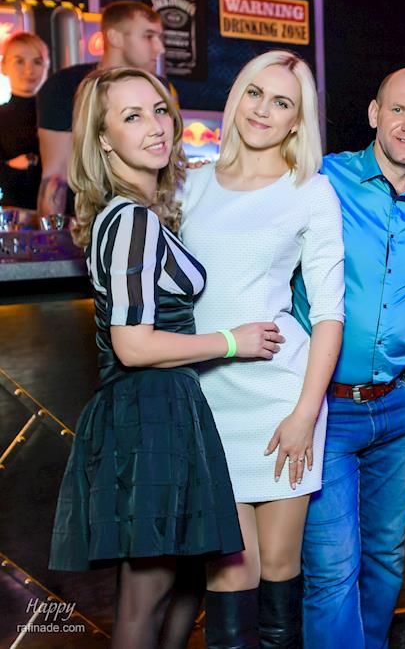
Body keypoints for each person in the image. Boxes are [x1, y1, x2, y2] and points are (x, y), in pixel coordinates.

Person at [48, 66, 279, 649]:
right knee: (145, 599)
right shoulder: (129, 219)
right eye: (131, 117)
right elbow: (133, 344)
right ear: (104, 140)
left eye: (158, 110)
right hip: (147, 411)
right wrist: (233, 341)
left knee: (182, 588)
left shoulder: (142, 213)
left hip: (165, 408)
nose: (154, 126)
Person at [291, 67, 405, 649]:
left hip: (400, 407)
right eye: (398, 110)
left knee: (386, 557)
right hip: (324, 409)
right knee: (332, 568)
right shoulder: (324, 178)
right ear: (374, 113)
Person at [180, 51, 345, 648]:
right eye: (255, 93)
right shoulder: (189, 185)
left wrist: (305, 412)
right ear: (237, 97)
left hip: (280, 397)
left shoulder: (311, 191)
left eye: (282, 103)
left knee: (277, 564)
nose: (263, 110)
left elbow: (328, 314)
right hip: (205, 398)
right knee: (229, 568)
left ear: (297, 121)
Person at [36, 0, 169, 218]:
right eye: (148, 36)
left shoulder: (159, 87)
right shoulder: (64, 86)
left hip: (150, 218)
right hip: (85, 223)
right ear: (115, 37)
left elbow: (169, 167)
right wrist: (52, 235)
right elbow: (55, 176)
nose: (159, 48)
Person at [0, 32, 48, 216]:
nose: (29, 70)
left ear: (47, 66)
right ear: (4, 66)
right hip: (15, 217)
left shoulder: (60, 114)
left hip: (61, 216)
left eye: (37, 62)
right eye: (19, 61)